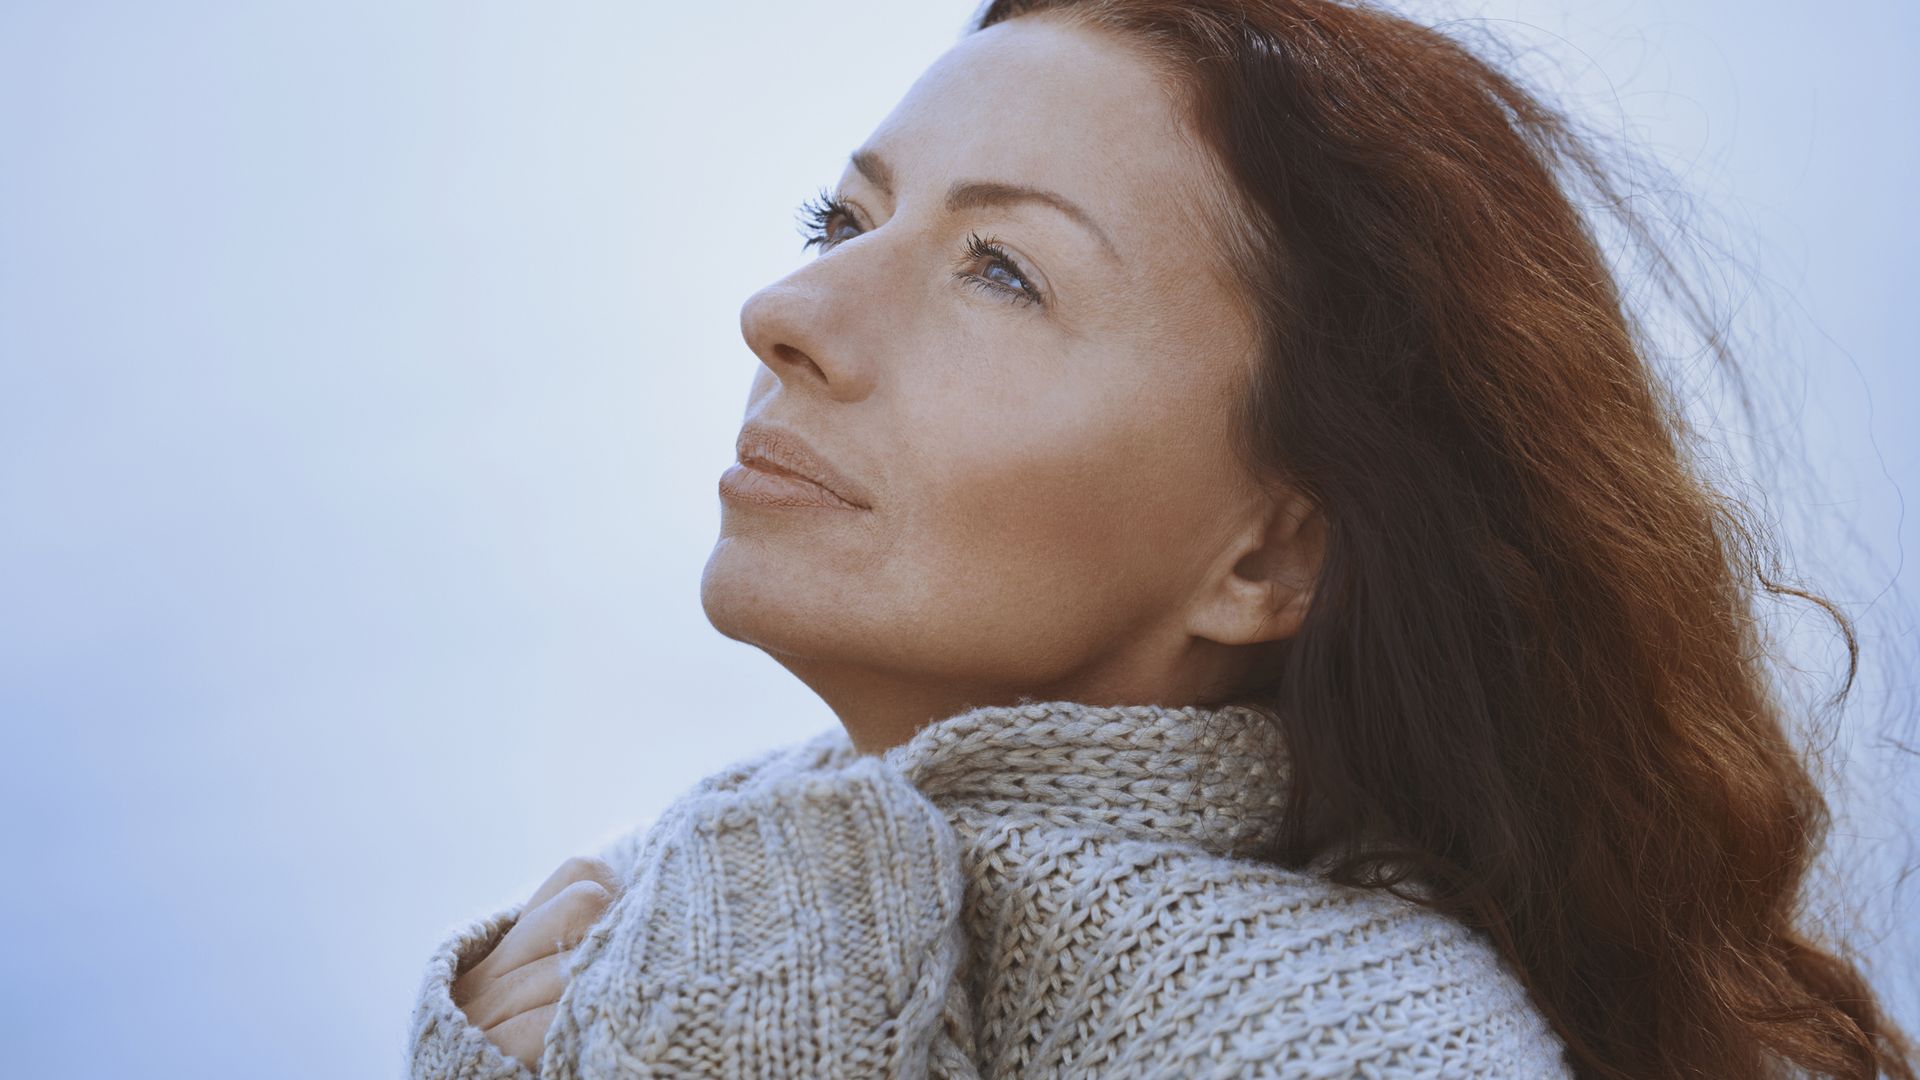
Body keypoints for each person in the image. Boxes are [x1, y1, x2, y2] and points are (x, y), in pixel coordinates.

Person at [408, 1, 1918, 1077]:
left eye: (1000, 271)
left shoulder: (1340, 1043)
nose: (788, 314)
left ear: (1268, 559)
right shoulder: (675, 890)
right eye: (840, 223)